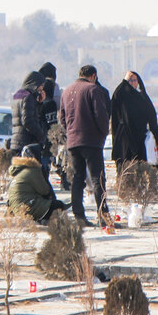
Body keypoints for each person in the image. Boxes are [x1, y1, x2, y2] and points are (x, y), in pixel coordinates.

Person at [59, 65, 111, 227]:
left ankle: (79, 216)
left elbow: (61, 117)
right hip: (91, 141)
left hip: (73, 141)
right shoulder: (93, 90)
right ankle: (103, 215)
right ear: (93, 76)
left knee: (77, 179)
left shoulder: (66, 91)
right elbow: (101, 116)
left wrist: (70, 131)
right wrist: (103, 133)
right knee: (97, 179)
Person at [110, 70, 158, 176]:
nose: (132, 83)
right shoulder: (122, 96)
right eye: (129, 81)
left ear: (138, 82)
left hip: (140, 137)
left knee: (140, 167)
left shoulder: (142, 97)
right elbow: (116, 97)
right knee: (125, 167)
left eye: (134, 80)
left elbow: (151, 118)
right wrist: (125, 81)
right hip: (125, 137)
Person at [7, 144, 67, 223]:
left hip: (15, 209)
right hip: (27, 208)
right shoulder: (33, 170)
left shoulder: (18, 170)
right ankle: (43, 219)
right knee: (58, 205)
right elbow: (44, 191)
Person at [9, 70, 48, 157]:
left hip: (16, 141)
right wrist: (41, 135)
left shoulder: (17, 95)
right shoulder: (28, 96)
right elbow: (28, 120)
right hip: (27, 142)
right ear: (34, 84)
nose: (41, 88)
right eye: (41, 85)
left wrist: (39, 103)